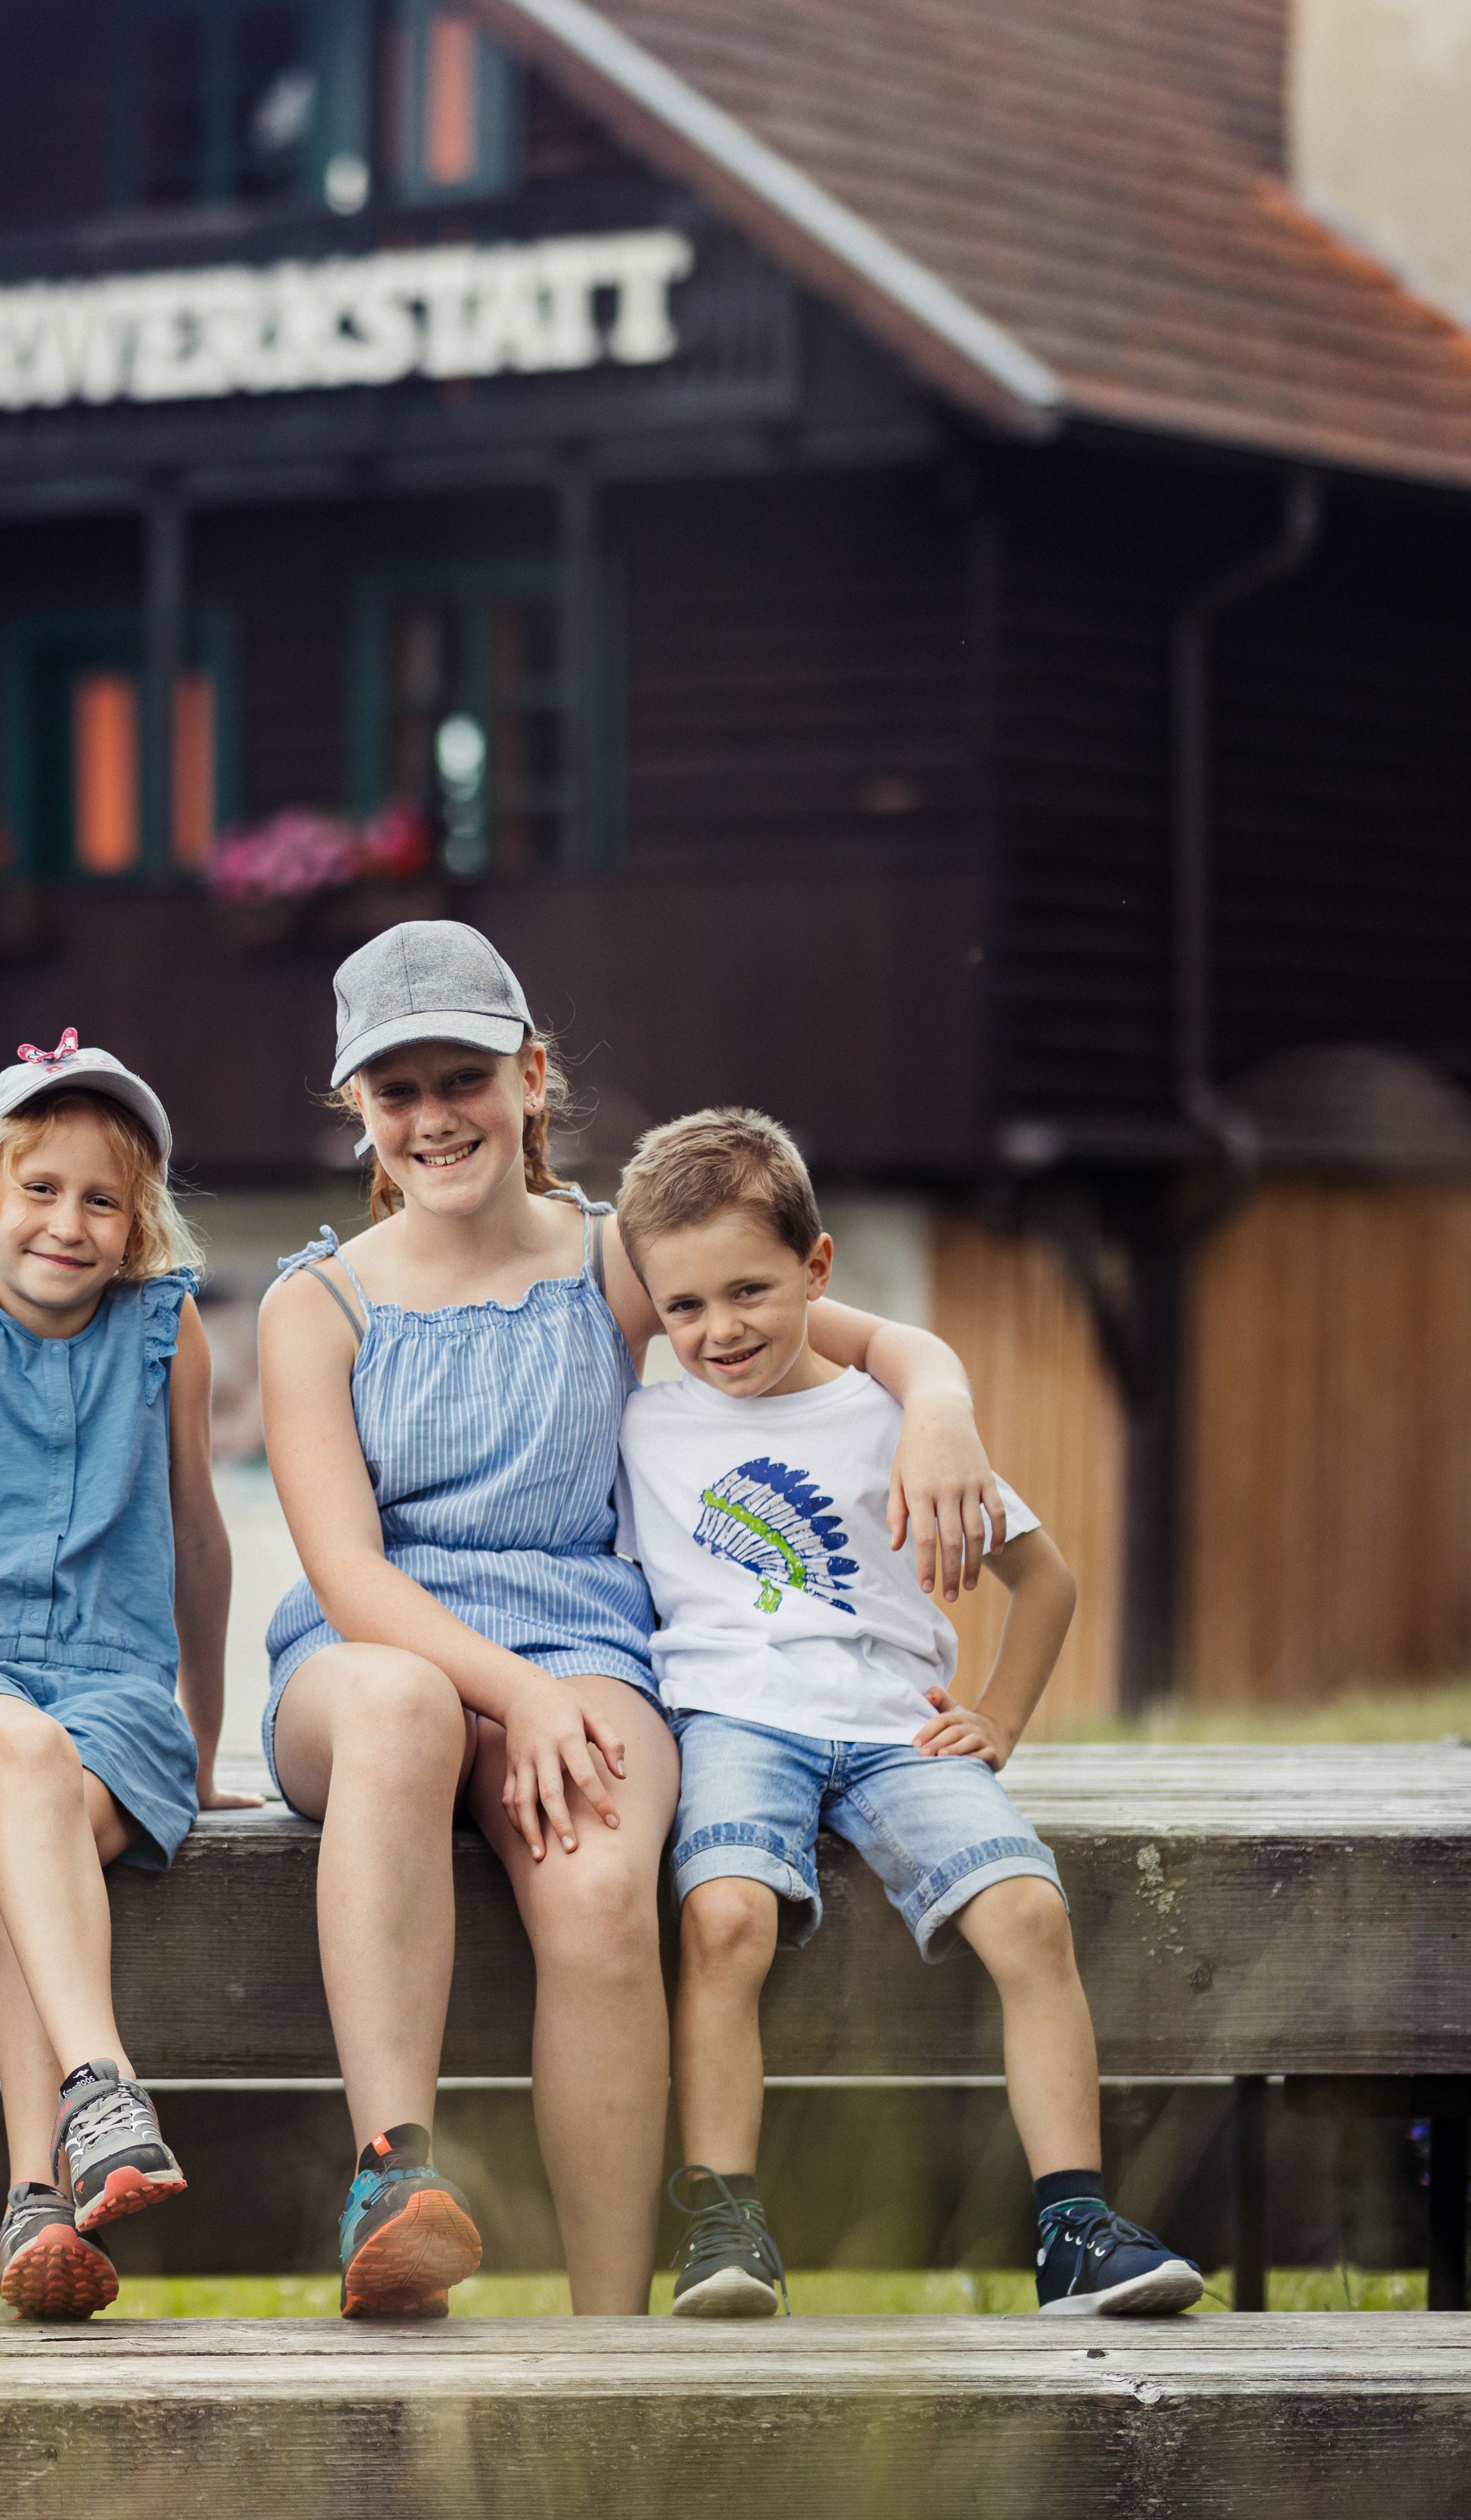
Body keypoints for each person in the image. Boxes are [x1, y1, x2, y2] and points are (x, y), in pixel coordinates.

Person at [257, 922, 1011, 2319]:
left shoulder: (616, 1257)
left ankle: (606, 2335)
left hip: (581, 1636)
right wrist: (513, 1695)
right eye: (396, 1089)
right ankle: (393, 2177)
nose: (434, 1116)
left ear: (531, 1077)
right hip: (364, 1659)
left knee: (605, 1890)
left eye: (465, 1077)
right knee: (405, 1706)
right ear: (357, 1106)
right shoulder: (319, 1302)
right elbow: (347, 1572)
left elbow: (859, 1335)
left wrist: (942, 1407)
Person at [615, 1107, 1203, 2321]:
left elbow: (1045, 1580)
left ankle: (1073, 2226)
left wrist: (997, 1717)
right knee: (723, 1917)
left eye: (749, 1290)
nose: (719, 1329)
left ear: (816, 1267)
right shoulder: (641, 1425)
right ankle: (723, 2223)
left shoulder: (895, 1422)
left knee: (1029, 1912)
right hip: (731, 1719)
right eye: (684, 1306)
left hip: (896, 1730)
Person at [0, 1033, 240, 2321]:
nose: (67, 1223)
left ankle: (34, 2193)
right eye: (39, 1188)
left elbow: (198, 1539)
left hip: (115, 1688)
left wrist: (200, 1743)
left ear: (138, 1224)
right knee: (20, 1754)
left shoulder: (165, 1329)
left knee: (49, 1809)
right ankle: (103, 2085)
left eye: (101, 1200)